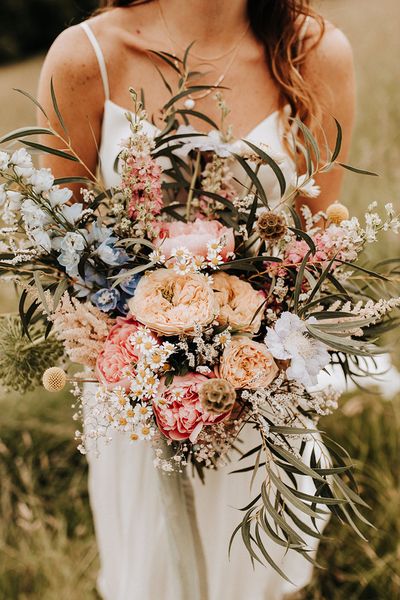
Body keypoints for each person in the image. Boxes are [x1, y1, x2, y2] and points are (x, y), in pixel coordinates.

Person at [37, 2, 355, 599]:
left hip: (264, 390)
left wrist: (242, 354)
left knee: (258, 572)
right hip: (138, 397)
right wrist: (153, 353)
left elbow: (316, 252)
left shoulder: (313, 52)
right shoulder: (87, 58)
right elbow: (68, 253)